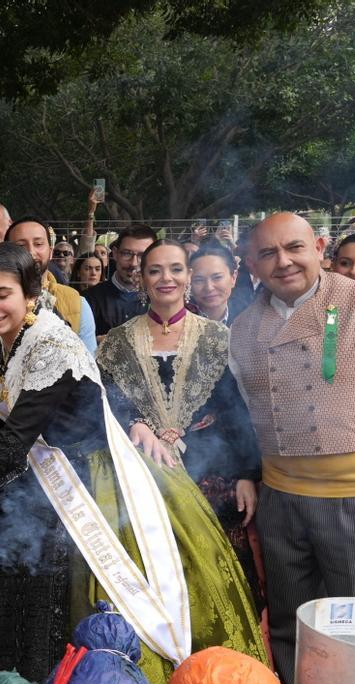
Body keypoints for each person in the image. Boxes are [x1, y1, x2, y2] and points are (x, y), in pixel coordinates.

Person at [0, 236, 266, 684]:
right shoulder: (11, 339)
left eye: (2, 295)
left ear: (31, 295)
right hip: (60, 482)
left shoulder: (47, 341)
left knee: (124, 610)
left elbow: (14, 444)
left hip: (102, 485)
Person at [229, 212, 355, 684]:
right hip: (282, 499)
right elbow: (243, 412)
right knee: (290, 621)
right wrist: (246, 472)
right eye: (268, 253)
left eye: (294, 247)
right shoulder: (241, 328)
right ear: (251, 264)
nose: (284, 262)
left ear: (319, 247)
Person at [96, 239, 266, 618]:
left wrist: (246, 475)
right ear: (141, 278)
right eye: (154, 270)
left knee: (218, 585)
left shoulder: (218, 338)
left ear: (188, 275)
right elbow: (105, 398)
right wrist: (135, 422)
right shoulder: (119, 341)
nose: (165, 278)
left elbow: (236, 410)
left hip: (212, 478)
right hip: (142, 476)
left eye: (175, 268)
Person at [4, 216, 97, 353]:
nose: (30, 252)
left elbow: (90, 364)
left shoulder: (76, 302)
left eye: (38, 244)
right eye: (21, 246)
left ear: (51, 251)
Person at [85, 223, 155, 337]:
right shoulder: (90, 299)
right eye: (127, 254)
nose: (134, 263)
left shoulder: (161, 300)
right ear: (115, 253)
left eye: (142, 256)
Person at [189, 241, 252, 325]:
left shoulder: (250, 318)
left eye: (217, 277)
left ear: (233, 278)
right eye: (199, 280)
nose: (209, 287)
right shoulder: (177, 321)